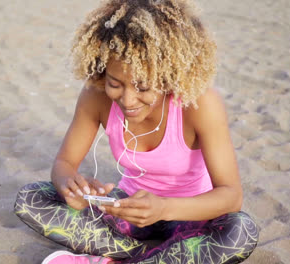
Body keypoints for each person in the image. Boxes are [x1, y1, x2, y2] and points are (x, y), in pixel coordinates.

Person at [15, 0, 259, 263]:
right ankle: (147, 258)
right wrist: (71, 187)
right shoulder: (95, 96)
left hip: (190, 216)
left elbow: (231, 195)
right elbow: (64, 163)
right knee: (32, 198)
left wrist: (164, 208)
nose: (128, 100)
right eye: (115, 83)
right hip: (126, 210)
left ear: (169, 75)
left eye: (143, 87)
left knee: (241, 230)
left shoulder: (200, 104)